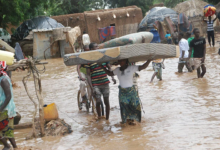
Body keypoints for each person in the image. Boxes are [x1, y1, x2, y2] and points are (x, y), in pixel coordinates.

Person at [100, 59, 151, 125]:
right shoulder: (117, 70)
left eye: (122, 60)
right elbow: (109, 73)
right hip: (122, 92)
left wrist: (149, 60)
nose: (120, 62)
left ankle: (132, 120)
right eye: (120, 60)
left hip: (131, 91)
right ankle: (126, 120)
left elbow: (143, 67)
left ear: (126, 62)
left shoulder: (131, 68)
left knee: (134, 105)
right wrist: (102, 67)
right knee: (124, 106)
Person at [86, 43, 116, 120]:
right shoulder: (89, 60)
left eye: (98, 46)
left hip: (105, 83)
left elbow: (109, 68)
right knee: (98, 101)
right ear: (91, 49)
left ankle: (107, 119)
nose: (98, 47)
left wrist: (112, 77)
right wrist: (91, 87)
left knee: (106, 102)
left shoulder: (104, 57)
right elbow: (88, 75)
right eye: (96, 47)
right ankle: (99, 117)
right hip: (96, 84)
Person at [0, 61, 17, 150]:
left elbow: (8, 96)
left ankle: (7, 146)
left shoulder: (3, 80)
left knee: (7, 129)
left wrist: (1, 109)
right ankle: (14, 147)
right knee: (7, 129)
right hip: (4, 108)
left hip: (5, 108)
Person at [77, 45, 90, 110]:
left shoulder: (92, 56)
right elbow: (78, 68)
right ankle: (84, 97)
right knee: (82, 83)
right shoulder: (81, 56)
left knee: (91, 86)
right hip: (82, 73)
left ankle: (91, 98)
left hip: (89, 73)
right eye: (86, 50)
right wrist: (80, 76)